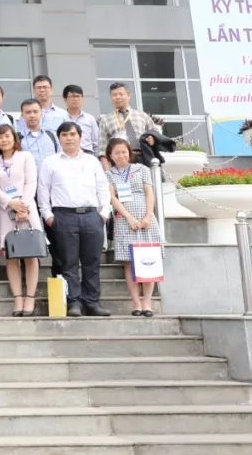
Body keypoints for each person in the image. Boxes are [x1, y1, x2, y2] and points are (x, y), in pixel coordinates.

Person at [38, 121, 112, 317]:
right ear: (59, 138)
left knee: (92, 262)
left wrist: (104, 212)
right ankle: (74, 302)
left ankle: (92, 302)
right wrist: (48, 215)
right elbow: (43, 190)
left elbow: (103, 188)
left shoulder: (92, 161)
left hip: (91, 216)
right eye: (64, 135)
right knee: (68, 263)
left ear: (80, 137)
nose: (69, 138)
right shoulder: (50, 162)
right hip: (63, 216)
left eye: (72, 134)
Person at [104, 136, 160, 316]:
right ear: (110, 155)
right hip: (124, 220)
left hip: (146, 219)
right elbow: (112, 198)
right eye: (117, 153)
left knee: (149, 259)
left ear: (129, 152)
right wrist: (128, 217)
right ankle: (136, 303)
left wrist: (148, 215)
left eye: (124, 152)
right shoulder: (109, 174)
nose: (121, 155)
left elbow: (149, 193)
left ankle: (147, 303)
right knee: (129, 262)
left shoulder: (142, 169)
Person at [0, 124, 41, 318]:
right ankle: (18, 298)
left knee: (30, 254)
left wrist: (23, 206)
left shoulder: (25, 156)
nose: (4, 140)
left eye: (7, 136)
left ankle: (30, 297)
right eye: (0, 137)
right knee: (10, 256)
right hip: (6, 211)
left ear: (14, 138)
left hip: (27, 209)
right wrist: (10, 203)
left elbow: (31, 181)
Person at [99, 82, 163, 153]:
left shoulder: (143, 116)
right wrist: (104, 160)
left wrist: (153, 139)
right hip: (120, 157)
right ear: (111, 98)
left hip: (143, 155)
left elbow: (157, 136)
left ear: (129, 96)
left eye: (121, 94)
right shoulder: (105, 120)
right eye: (114, 95)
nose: (118, 97)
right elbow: (103, 148)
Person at [15, 99, 60, 168]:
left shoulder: (52, 136)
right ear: (22, 115)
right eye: (28, 112)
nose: (32, 115)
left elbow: (60, 158)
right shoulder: (17, 138)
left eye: (35, 112)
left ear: (41, 113)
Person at [62, 84, 101, 154]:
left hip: (87, 153)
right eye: (72, 96)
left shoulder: (90, 119)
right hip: (66, 154)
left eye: (78, 96)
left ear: (82, 98)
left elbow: (96, 142)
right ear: (65, 99)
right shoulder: (61, 117)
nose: (75, 99)